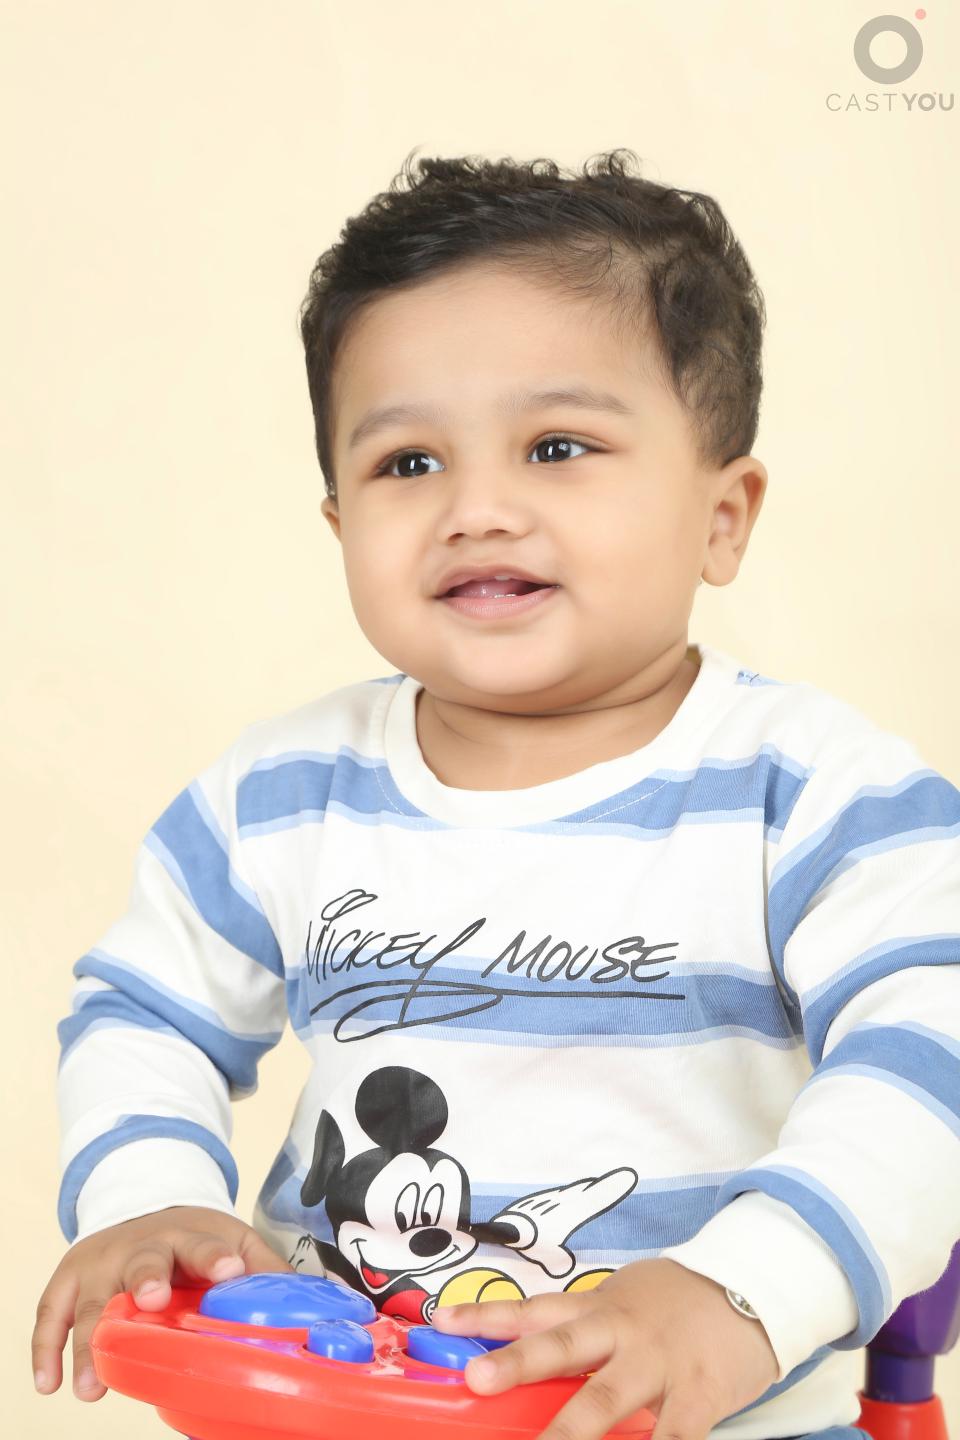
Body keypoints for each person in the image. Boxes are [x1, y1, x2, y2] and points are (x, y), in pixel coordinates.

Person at [32, 147, 960, 1440]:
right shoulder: (282, 796)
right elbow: (145, 1014)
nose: (476, 508)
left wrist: (741, 1295)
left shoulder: (815, 798)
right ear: (339, 526)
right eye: (408, 464)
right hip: (337, 1413)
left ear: (723, 517)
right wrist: (149, 1203)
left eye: (557, 446)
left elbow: (929, 1059)